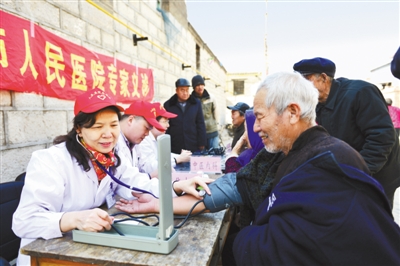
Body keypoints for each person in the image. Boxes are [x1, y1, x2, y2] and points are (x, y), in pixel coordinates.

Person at [115, 72, 400, 266]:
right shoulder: (287, 152)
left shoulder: (326, 164)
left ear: (292, 112)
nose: (256, 127)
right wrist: (157, 204)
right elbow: (237, 184)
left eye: (260, 117)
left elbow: (272, 250)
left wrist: (245, 235)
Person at [12, 88, 211, 266]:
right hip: (46, 256)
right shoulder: (50, 160)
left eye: (113, 125)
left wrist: (177, 186)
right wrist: (72, 219)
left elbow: (138, 183)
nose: (108, 134)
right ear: (79, 129)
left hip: (85, 248)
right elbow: (23, 222)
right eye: (98, 127)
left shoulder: (111, 158)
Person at [293, 57, 400, 206]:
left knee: (377, 222)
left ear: (323, 78)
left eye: (306, 81)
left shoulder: (360, 92)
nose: (300, 88)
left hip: (378, 174)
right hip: (350, 173)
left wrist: (358, 172)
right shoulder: (316, 103)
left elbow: (382, 138)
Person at [138, 102, 192, 174]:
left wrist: (182, 156)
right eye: (165, 121)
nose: (168, 125)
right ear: (153, 122)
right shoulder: (144, 140)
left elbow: (162, 156)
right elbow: (148, 167)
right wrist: (177, 159)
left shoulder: (156, 138)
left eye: (168, 121)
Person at [115, 100, 165, 178]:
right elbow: (123, 181)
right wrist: (150, 177)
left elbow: (143, 165)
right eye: (146, 128)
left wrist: (163, 168)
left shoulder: (134, 142)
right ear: (130, 120)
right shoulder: (113, 143)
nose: (147, 134)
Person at [164, 78, 207, 154]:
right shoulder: (169, 105)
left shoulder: (196, 103)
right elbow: (166, 127)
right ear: (176, 90)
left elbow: (200, 123)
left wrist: (202, 142)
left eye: (187, 90)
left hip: (192, 143)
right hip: (175, 145)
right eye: (182, 90)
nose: (185, 93)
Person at [224, 109, 264, 173]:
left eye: (246, 131)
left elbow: (233, 178)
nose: (244, 136)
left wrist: (234, 152)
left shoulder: (251, 157)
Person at [191, 75, 220, 149]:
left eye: (201, 84)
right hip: (198, 135)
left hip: (212, 132)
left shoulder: (211, 97)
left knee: (214, 156)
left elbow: (216, 113)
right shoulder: (191, 100)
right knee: (202, 158)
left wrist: (217, 127)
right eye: (197, 85)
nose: (200, 87)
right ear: (193, 87)